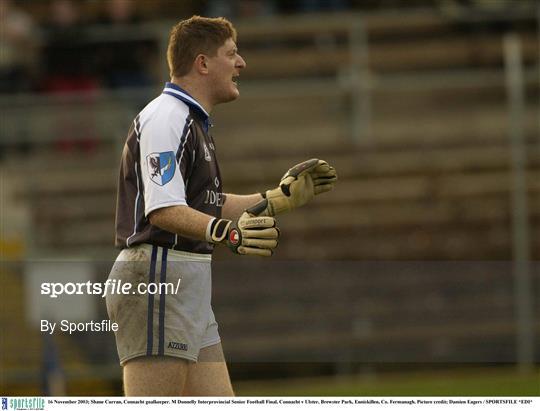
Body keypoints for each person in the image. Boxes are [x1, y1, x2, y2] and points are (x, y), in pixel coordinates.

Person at [106, 15, 337, 396]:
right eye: (231, 53)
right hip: (158, 278)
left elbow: (207, 204)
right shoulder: (168, 117)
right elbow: (162, 210)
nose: (241, 63)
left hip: (184, 281)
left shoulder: (193, 123)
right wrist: (228, 232)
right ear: (202, 63)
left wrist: (277, 199)